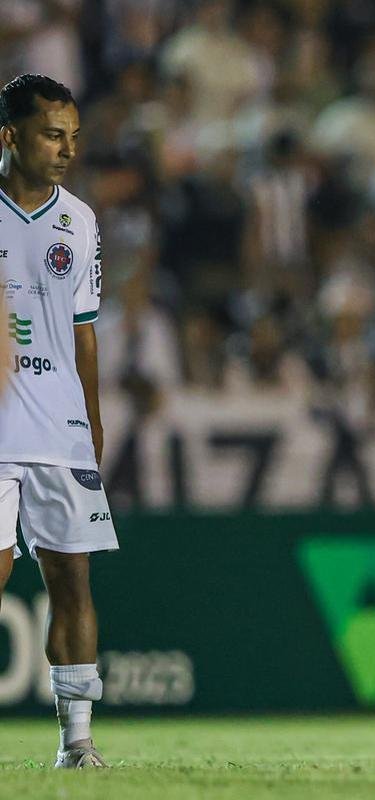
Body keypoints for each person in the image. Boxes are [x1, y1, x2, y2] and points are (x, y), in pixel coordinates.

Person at [0, 74, 116, 768]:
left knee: (71, 578)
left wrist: (92, 423)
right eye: (52, 134)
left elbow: (85, 333)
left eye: (73, 136)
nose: (67, 148)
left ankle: (77, 740)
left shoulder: (79, 219)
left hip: (58, 424)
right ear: (9, 136)